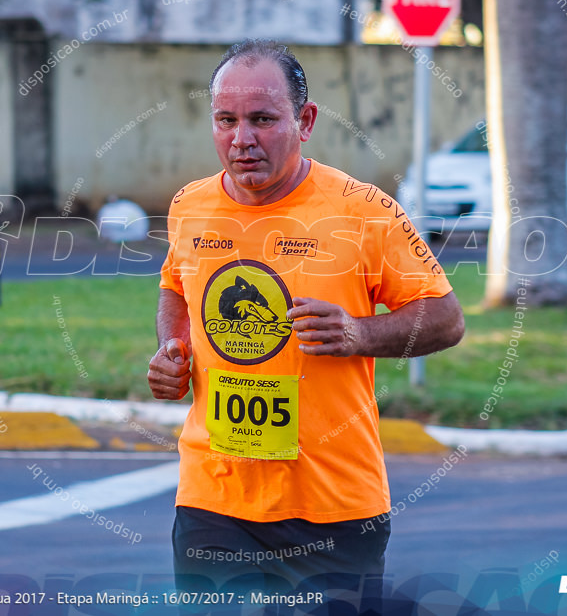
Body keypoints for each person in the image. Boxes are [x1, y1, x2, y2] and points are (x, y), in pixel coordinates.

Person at [148, 39, 464, 609]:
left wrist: (360, 334)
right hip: (212, 499)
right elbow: (176, 287)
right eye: (227, 120)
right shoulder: (189, 206)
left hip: (333, 507)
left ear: (306, 120)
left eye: (263, 120)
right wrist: (175, 349)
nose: (242, 139)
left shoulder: (364, 210)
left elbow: (445, 318)